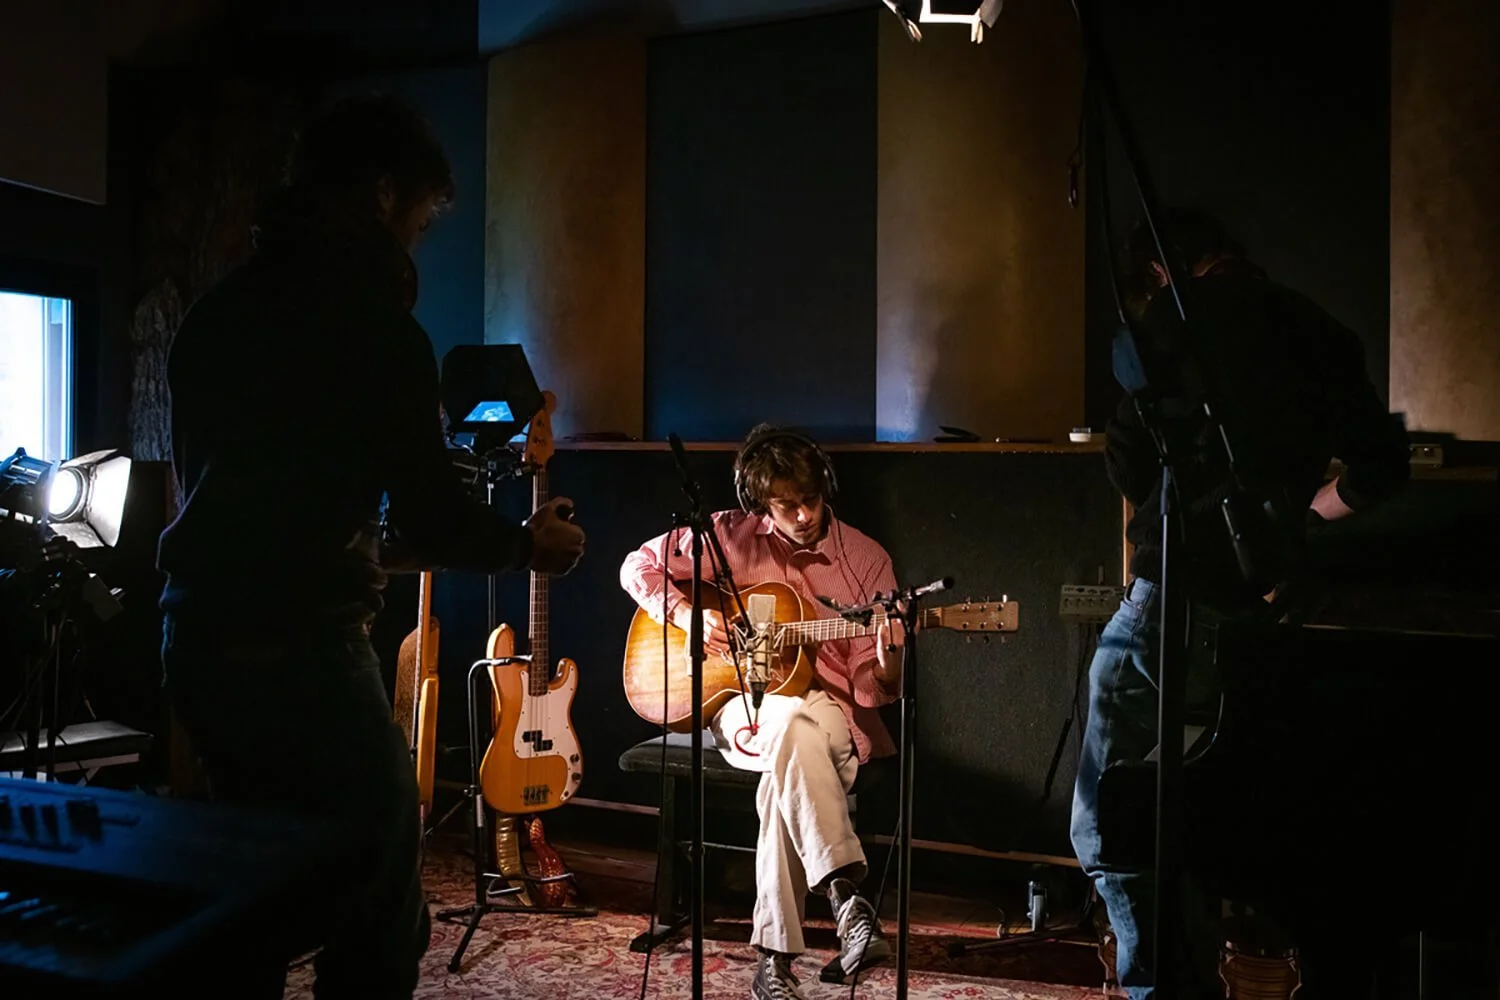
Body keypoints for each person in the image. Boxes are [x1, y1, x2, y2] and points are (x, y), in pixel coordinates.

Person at [156, 94, 586, 999]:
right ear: (385, 192)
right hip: (301, 656)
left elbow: (271, 510)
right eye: (423, 219)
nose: (419, 243)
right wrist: (527, 547)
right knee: (383, 906)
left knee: (249, 895)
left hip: (195, 642)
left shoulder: (215, 316)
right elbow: (429, 522)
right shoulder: (377, 328)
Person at [1070, 208, 1411, 998]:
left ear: (1161, 272)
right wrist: (1299, 513)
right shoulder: (1316, 328)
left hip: (1170, 607)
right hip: (1264, 614)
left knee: (1110, 820)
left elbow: (1126, 460)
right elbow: (1383, 467)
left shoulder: (1172, 325)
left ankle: (1167, 987)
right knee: (1227, 812)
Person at [619, 425, 904, 1000]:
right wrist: (689, 616)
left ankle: (773, 962)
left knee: (790, 755)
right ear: (760, 503)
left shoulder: (866, 560)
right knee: (786, 727)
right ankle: (847, 899)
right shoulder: (729, 535)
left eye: (811, 499)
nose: (801, 515)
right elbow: (635, 567)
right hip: (740, 706)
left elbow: (869, 689)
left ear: (827, 488)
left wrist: (889, 660)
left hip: (830, 712)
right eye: (785, 504)